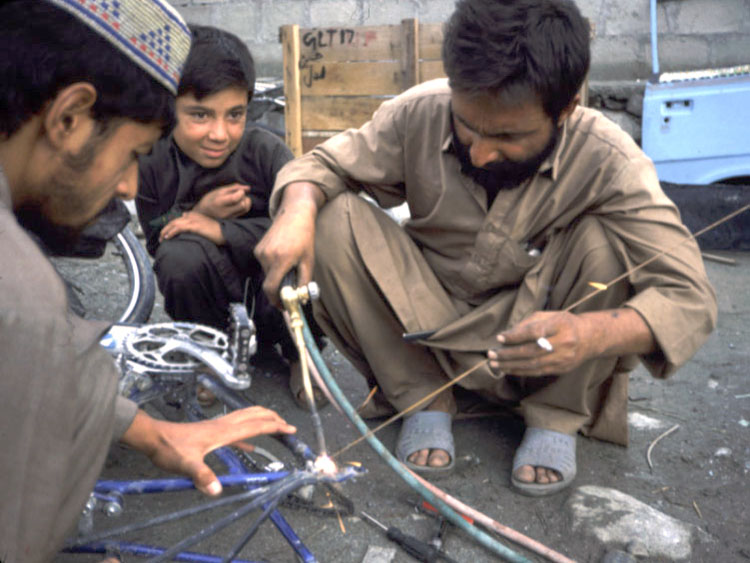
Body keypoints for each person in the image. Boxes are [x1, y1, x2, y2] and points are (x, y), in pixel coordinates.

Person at [255, 0, 718, 496]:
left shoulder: (610, 159)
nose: (478, 151)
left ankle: (555, 415)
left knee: (607, 246)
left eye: (506, 136)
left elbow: (689, 297)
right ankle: (424, 398)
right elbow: (322, 164)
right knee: (327, 216)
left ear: (566, 109)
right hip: (425, 323)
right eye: (467, 125)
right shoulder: (422, 111)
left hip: (537, 336)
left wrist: (587, 335)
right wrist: (297, 207)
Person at [0, 2, 296, 560]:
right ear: (69, 118)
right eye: (132, 154)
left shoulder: (264, 152)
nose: (132, 185)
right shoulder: (19, 295)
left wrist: (151, 432)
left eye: (233, 115)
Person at [135, 24, 324, 409]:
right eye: (200, 115)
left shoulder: (265, 153)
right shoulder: (153, 160)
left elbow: (305, 225)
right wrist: (197, 213)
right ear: (170, 106)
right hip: (212, 294)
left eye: (235, 114)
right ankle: (209, 353)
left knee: (297, 253)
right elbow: (156, 237)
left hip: (271, 291)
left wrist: (221, 229)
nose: (219, 133)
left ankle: (299, 354)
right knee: (177, 257)